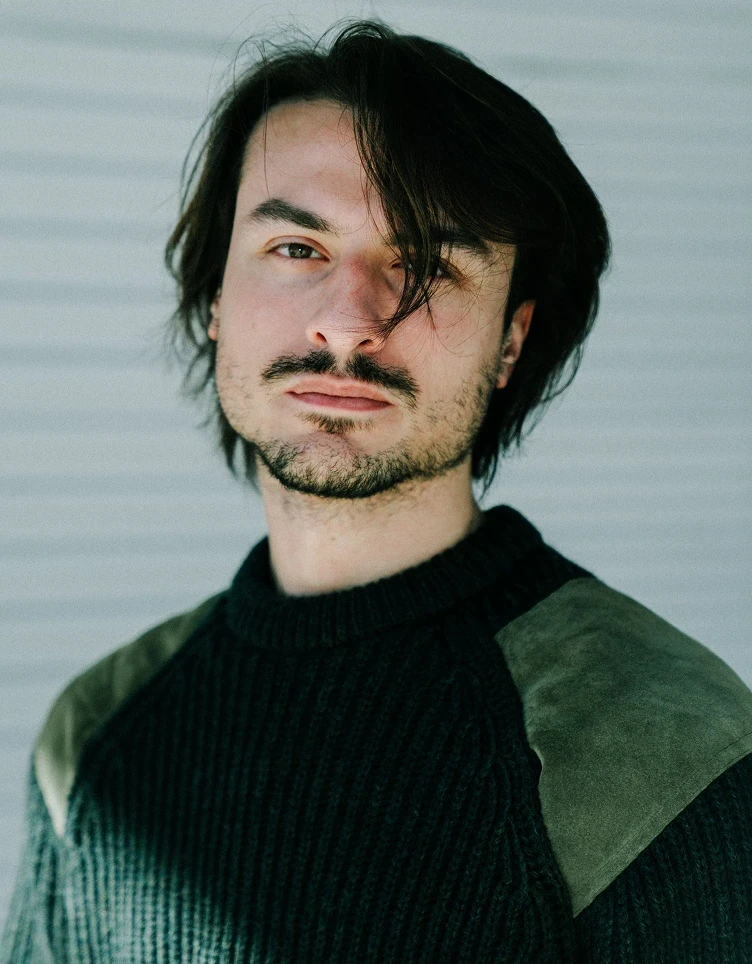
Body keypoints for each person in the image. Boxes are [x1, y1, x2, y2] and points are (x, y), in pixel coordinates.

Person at [2, 18, 751, 964]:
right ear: (212, 302)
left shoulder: (661, 745)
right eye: (296, 249)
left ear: (511, 341)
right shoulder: (97, 735)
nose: (349, 324)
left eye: (429, 265)